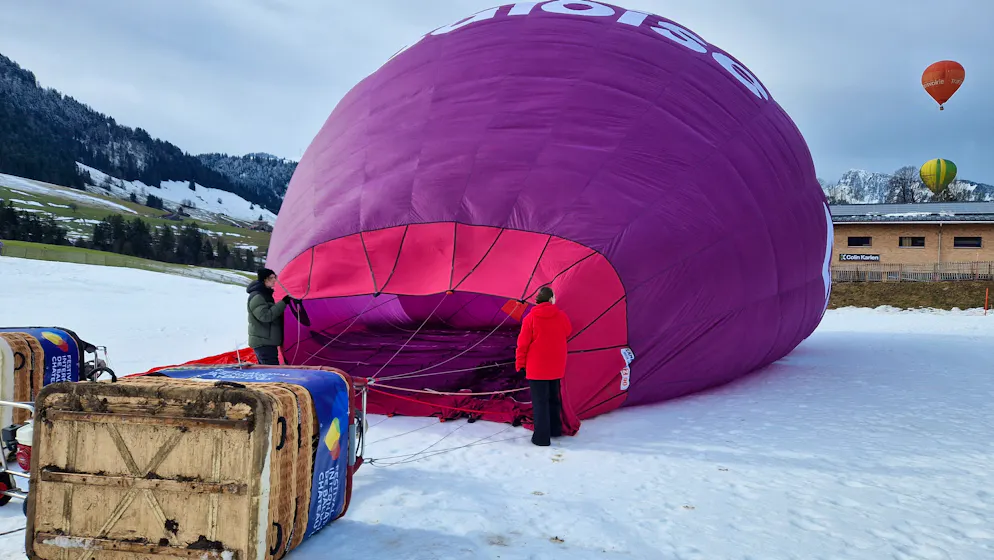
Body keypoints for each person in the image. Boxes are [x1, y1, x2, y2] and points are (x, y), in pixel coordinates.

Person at [515, 286, 572, 446]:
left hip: (536, 368)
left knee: (540, 403)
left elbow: (522, 344)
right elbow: (568, 331)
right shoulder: (561, 316)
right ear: (550, 299)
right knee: (554, 399)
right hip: (556, 366)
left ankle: (541, 438)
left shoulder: (530, 318)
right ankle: (555, 430)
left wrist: (520, 364)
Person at [247, 267, 290, 365]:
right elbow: (264, 316)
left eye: (275, 277)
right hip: (263, 343)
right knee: (272, 373)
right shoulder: (258, 296)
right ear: (265, 279)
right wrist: (283, 303)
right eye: (272, 278)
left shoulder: (265, 294)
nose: (275, 280)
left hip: (266, 342)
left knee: (268, 371)